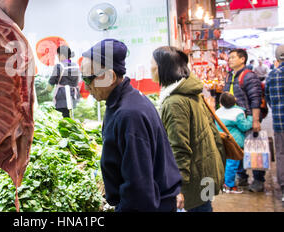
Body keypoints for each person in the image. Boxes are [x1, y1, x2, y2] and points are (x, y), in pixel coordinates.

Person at [81, 39, 182, 212]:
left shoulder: (130, 115)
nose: (85, 85)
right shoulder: (125, 101)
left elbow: (139, 191)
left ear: (110, 77)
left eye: (88, 78)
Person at [151, 46, 225, 212]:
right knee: (205, 206)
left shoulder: (175, 102)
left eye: (152, 63)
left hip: (194, 178)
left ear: (163, 68)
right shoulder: (190, 92)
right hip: (205, 169)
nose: (150, 67)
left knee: (201, 208)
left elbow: (179, 148)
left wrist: (178, 187)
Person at [223, 48, 265, 192]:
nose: (230, 60)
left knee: (255, 149)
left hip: (247, 119)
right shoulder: (229, 76)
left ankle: (259, 179)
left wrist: (256, 120)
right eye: (229, 58)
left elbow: (255, 99)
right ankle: (242, 177)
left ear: (242, 59)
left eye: (233, 57)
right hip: (234, 120)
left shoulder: (249, 76)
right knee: (237, 149)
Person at [215, 92, 252, 194]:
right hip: (234, 143)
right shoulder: (238, 113)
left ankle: (223, 183)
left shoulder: (217, 112)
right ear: (235, 101)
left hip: (222, 141)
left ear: (221, 103)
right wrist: (250, 118)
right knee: (232, 165)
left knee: (224, 163)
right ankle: (229, 186)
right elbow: (244, 126)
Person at [265, 45, 284, 203]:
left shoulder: (272, 75)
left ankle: (283, 187)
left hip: (280, 122)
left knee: (281, 154)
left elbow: (269, 98)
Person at [48, 45, 80, 118]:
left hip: (62, 96)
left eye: (58, 55)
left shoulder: (59, 66)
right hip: (73, 94)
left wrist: (46, 90)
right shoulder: (76, 66)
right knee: (70, 116)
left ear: (62, 55)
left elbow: (52, 81)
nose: (57, 57)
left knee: (62, 117)